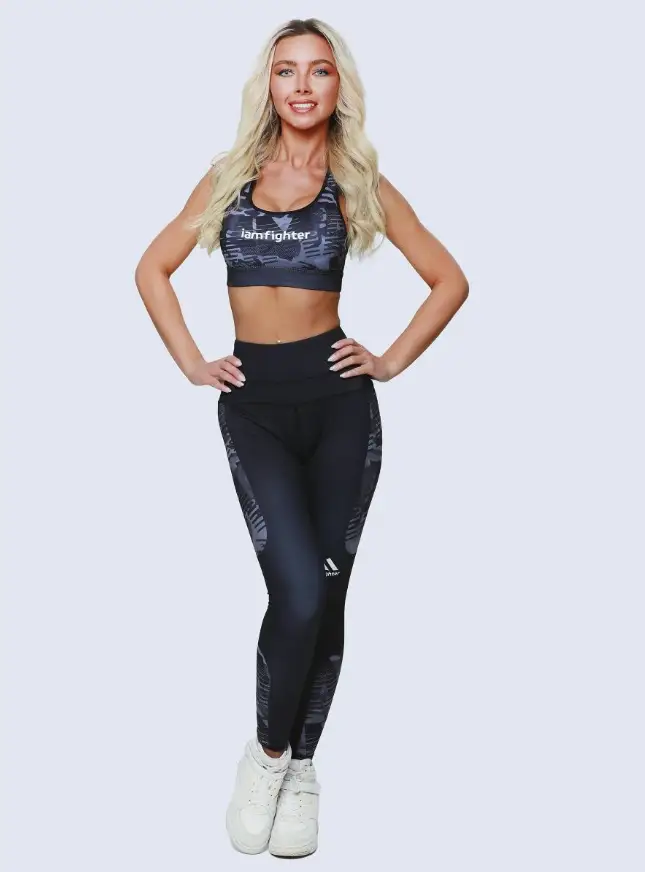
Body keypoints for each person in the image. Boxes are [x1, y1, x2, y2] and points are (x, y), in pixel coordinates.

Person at [134, 16, 469, 859]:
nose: (302, 86)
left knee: (327, 596)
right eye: (287, 71)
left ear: (336, 85)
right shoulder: (229, 176)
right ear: (269, 85)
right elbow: (151, 268)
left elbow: (448, 279)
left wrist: (388, 360)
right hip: (254, 408)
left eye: (318, 71)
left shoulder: (355, 182)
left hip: (339, 410)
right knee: (298, 594)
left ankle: (303, 772)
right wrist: (191, 362)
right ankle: (267, 755)